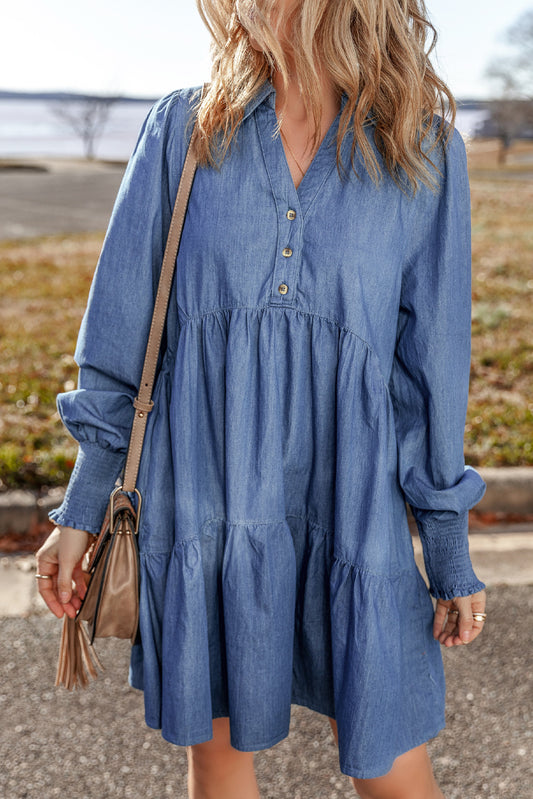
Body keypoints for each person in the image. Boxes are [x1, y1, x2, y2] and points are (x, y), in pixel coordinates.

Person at [35, 1, 489, 797]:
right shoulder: (184, 128)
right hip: (201, 488)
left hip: (350, 499)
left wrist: (447, 551)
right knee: (216, 751)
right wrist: (81, 510)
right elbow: (119, 338)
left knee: (385, 746)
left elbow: (431, 368)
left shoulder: (420, 147)